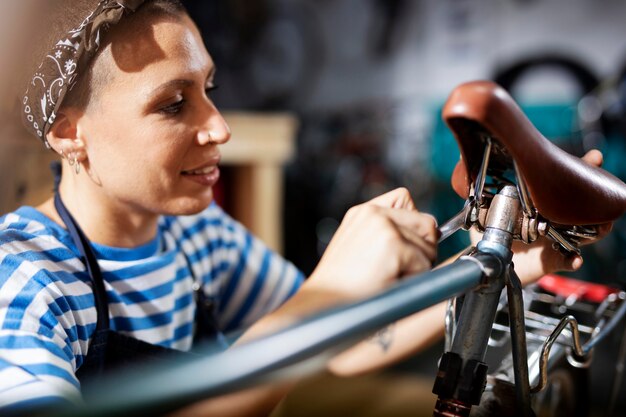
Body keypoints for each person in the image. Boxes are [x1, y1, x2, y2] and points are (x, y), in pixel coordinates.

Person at [0, 1, 605, 416]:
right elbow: (316, 321)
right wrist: (325, 292)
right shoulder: (25, 281)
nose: (219, 127)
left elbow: (345, 346)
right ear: (66, 131)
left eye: (207, 89)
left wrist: (512, 262)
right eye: (172, 104)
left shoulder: (196, 237)